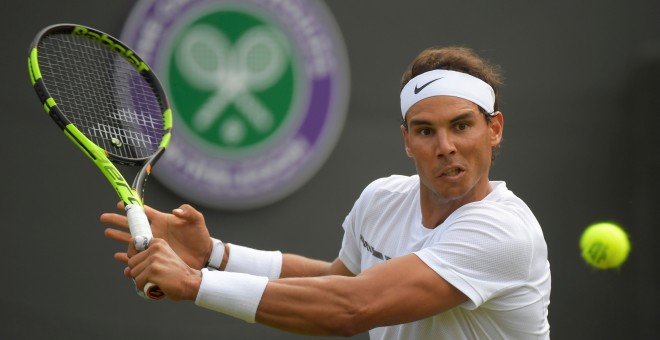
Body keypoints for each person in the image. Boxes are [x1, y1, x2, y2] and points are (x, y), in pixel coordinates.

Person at [102, 46, 551, 339]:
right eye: (425, 130)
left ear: (494, 129)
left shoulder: (503, 232)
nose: (445, 146)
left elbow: (351, 306)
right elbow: (341, 280)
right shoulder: (382, 199)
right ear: (407, 141)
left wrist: (195, 284)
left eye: (461, 126)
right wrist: (214, 256)